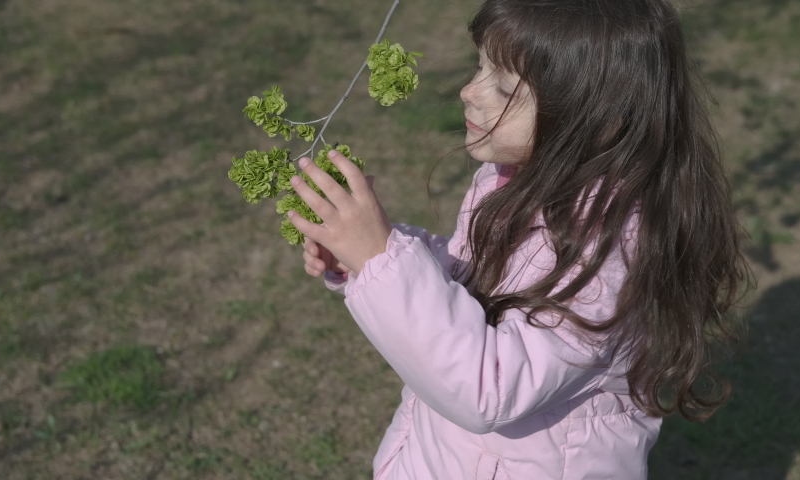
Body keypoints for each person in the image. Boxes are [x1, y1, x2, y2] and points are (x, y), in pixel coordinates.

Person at [285, 0, 751, 478]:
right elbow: (475, 284)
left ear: (591, 116)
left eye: (504, 86)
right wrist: (370, 253)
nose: (469, 91)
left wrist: (380, 257)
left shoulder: (610, 247)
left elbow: (487, 388)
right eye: (480, 65)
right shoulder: (511, 175)